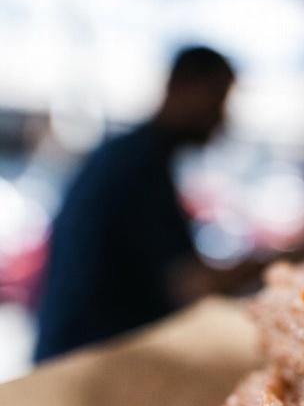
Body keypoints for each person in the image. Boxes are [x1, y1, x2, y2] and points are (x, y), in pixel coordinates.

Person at [34, 46, 237, 361]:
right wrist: (283, 265)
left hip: (82, 358)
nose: (221, 116)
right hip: (84, 365)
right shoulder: (139, 169)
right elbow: (191, 285)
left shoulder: (132, 156)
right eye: (217, 98)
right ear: (181, 87)